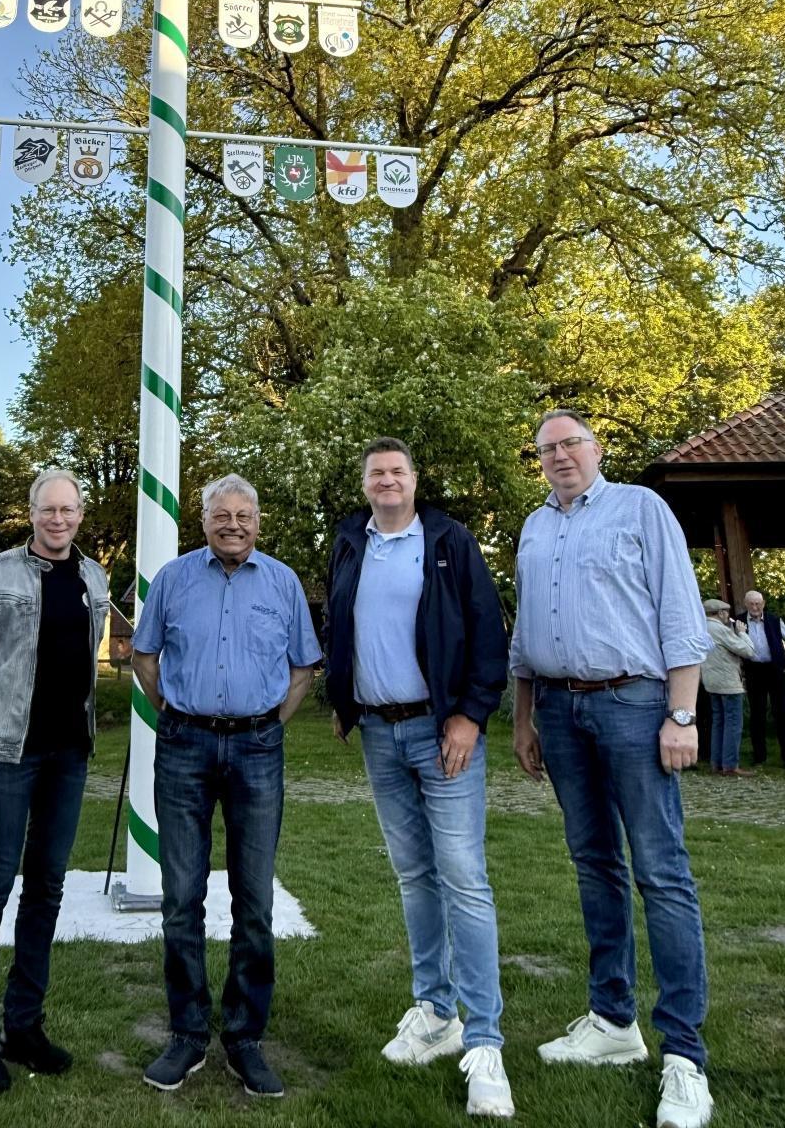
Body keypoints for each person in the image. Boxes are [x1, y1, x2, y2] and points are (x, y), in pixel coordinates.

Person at [511, 409, 715, 1128]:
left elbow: (679, 613)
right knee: (594, 863)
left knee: (660, 870)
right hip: (561, 713)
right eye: (548, 449)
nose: (560, 456)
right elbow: (526, 632)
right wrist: (524, 717)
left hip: (635, 704)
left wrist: (682, 715)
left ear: (596, 450)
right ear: (538, 461)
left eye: (572, 443)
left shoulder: (639, 507)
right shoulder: (535, 527)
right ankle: (612, 1020)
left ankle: (684, 1055)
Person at [323, 438, 515, 1120]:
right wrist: (344, 703)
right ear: (366, 483)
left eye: (397, 470)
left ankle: (485, 1040)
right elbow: (338, 624)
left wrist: (470, 715)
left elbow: (487, 633)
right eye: (375, 472)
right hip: (379, 731)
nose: (387, 480)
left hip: (443, 734)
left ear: (414, 478)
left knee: (463, 875)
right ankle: (435, 1011)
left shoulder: (449, 540)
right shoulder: (350, 543)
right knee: (414, 876)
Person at [132, 474, 321, 1099]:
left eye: (243, 514)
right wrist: (177, 716)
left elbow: (303, 668)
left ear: (258, 521)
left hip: (257, 749)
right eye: (221, 514)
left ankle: (245, 1038)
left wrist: (269, 725)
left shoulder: (283, 583)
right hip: (183, 747)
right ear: (204, 520)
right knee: (180, 896)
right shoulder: (173, 580)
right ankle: (187, 1032)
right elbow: (144, 657)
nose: (233, 524)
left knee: (255, 898)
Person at [0, 469, 109, 1093]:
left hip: (68, 755)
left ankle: (24, 1025)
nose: (58, 519)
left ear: (79, 514)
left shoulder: (95, 578)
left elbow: (86, 657)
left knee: (46, 887)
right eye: (48, 509)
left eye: (68, 510)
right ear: (32, 512)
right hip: (5, 749)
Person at [742, 588, 785, 769]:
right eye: (751, 603)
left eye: (758, 603)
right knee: (757, 715)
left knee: (782, 714)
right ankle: (759, 758)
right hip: (753, 672)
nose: (755, 607)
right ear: (746, 605)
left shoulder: (774, 620)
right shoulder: (739, 622)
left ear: (763, 604)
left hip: (775, 671)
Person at [701, 599, 755, 775]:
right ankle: (730, 765)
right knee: (732, 723)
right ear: (721, 613)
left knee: (718, 722)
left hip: (710, 681)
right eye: (726, 612)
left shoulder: (701, 627)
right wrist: (742, 633)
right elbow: (748, 651)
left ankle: (716, 763)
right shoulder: (720, 630)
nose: (728, 616)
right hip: (728, 683)